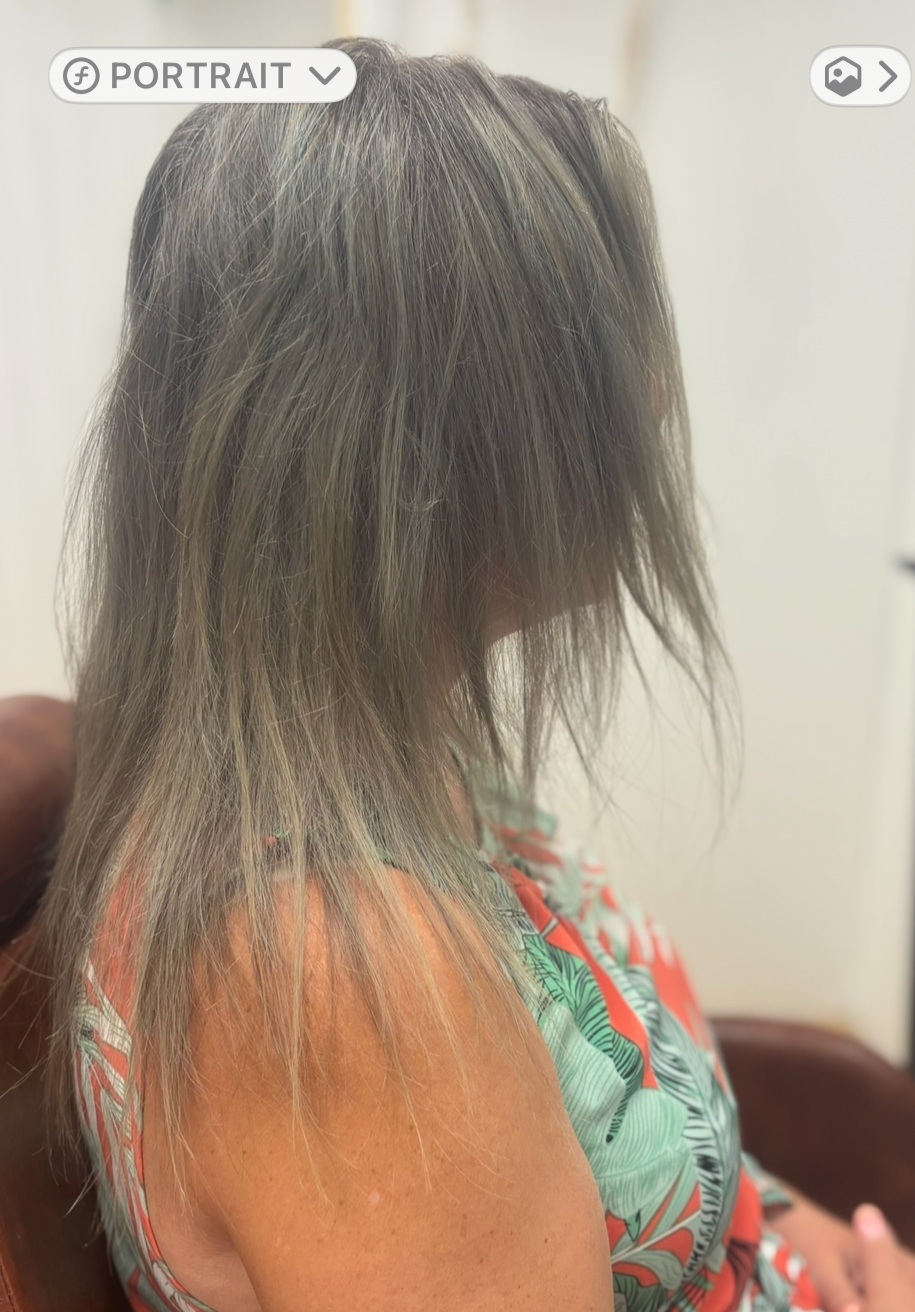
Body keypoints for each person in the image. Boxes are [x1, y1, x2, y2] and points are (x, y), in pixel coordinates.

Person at [23, 34, 915, 1312]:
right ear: (430, 442)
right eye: (605, 356)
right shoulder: (330, 960)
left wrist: (815, 1229)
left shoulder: (393, 748)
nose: (654, 405)